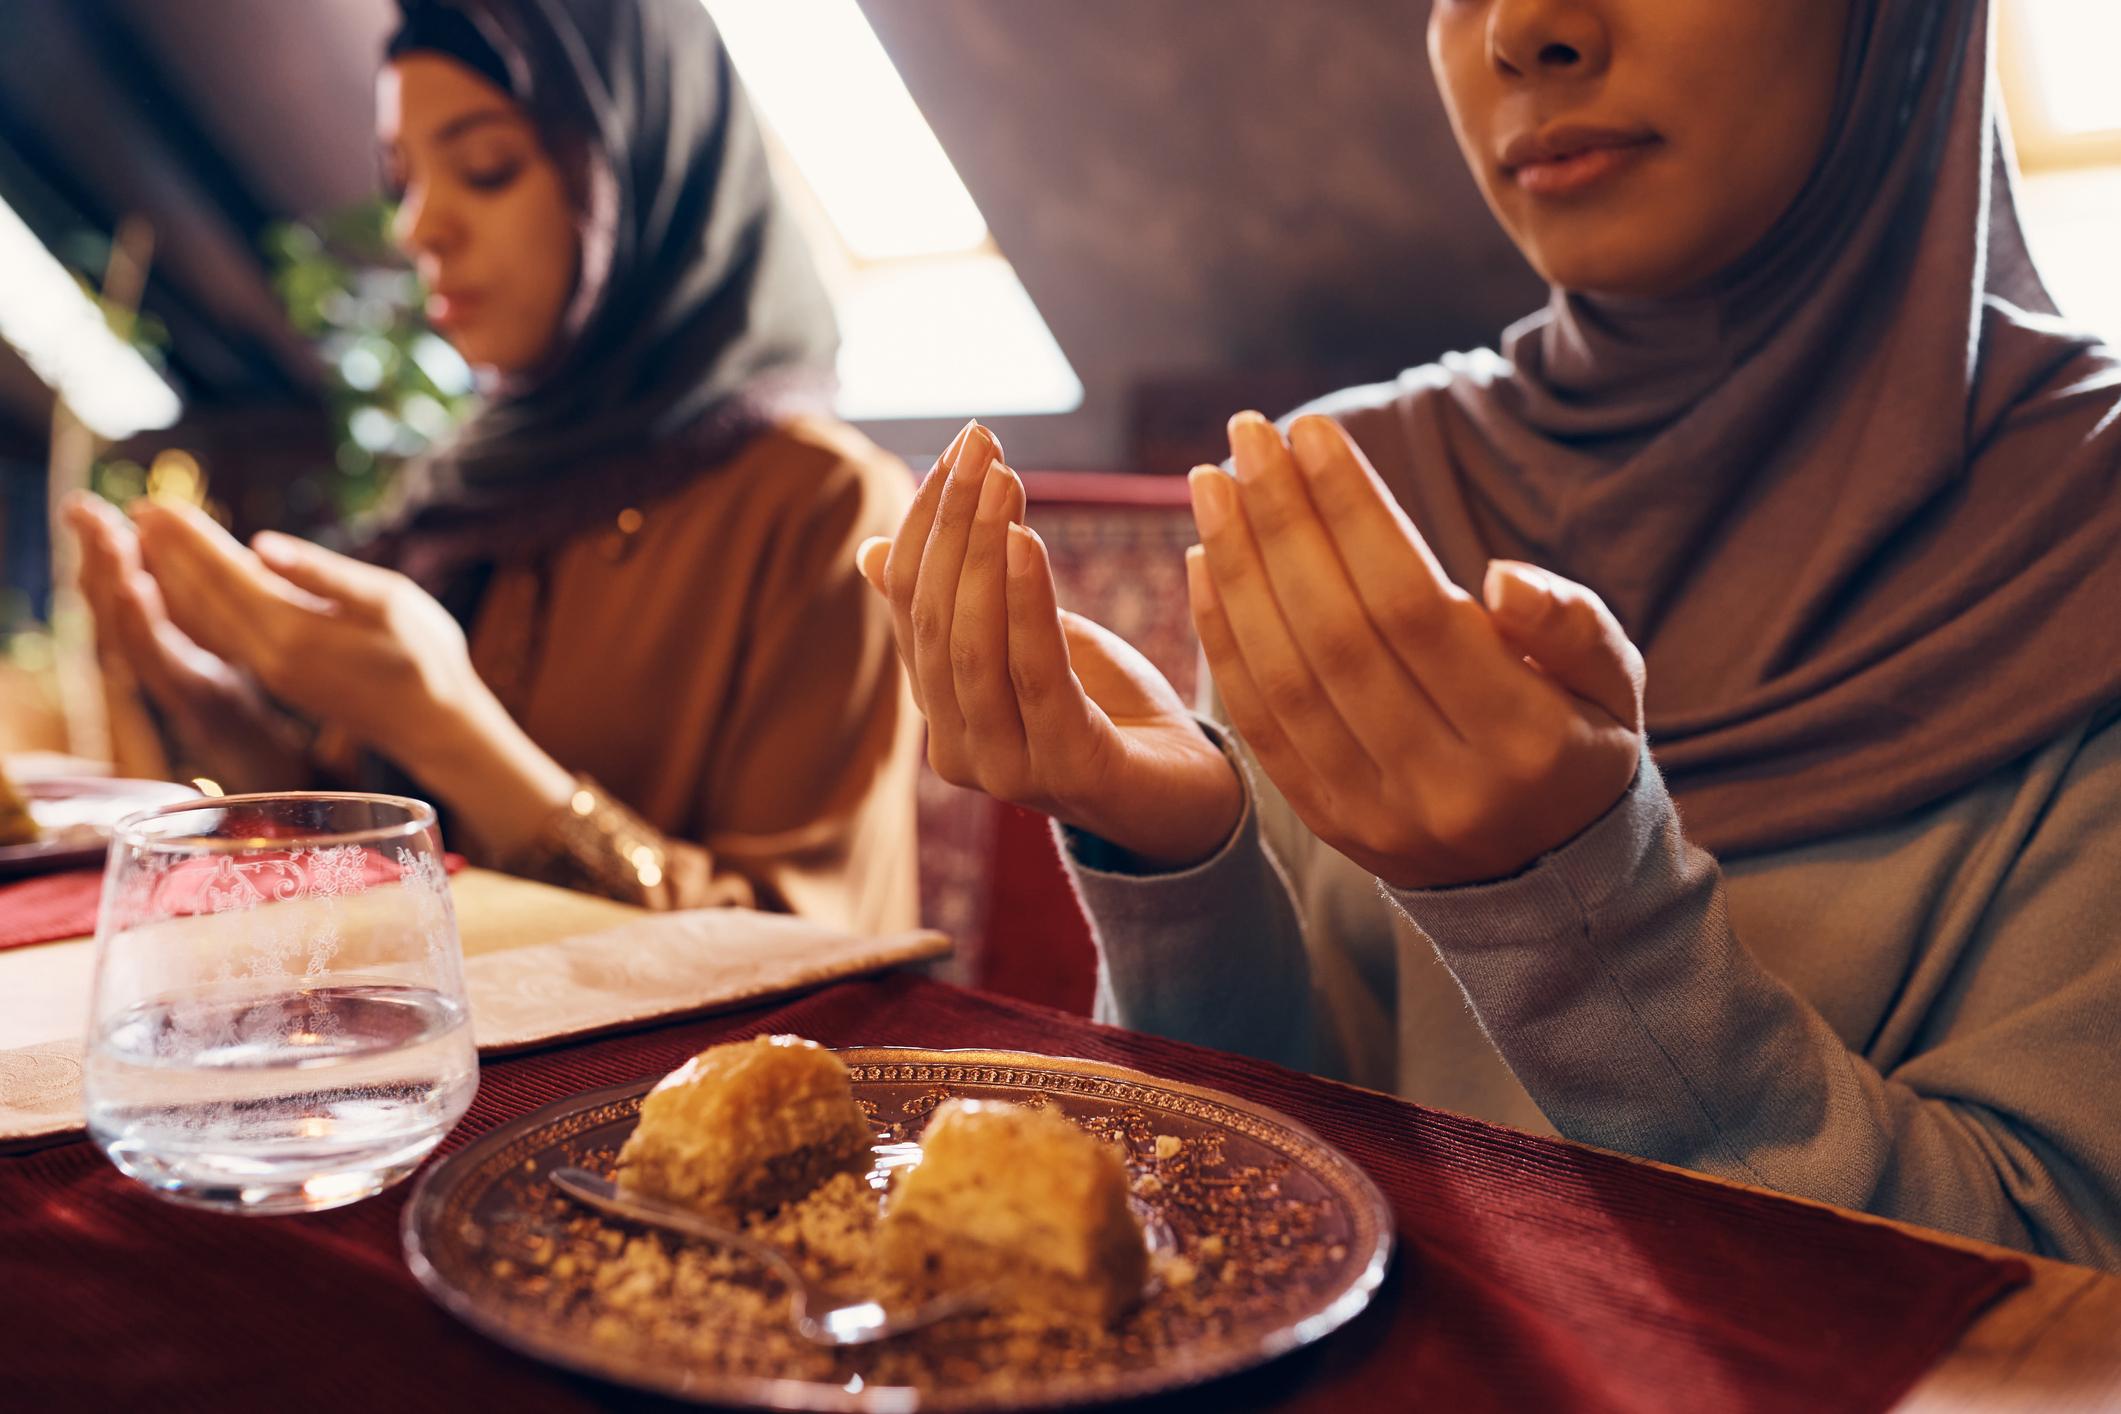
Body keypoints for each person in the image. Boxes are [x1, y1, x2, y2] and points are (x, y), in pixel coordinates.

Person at [860, 0, 2121, 1267]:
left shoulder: (2083, 532)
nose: (1522, 30)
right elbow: (1263, 1207)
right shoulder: (1365, 481)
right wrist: (1184, 861)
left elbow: (2059, 1294)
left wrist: (1585, 911)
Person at [66, 0, 920, 934]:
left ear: (638, 168)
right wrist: (208, 709)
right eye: (403, 182)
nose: (418, 228)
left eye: (485, 169)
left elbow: (805, 947)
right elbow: (392, 857)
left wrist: (447, 725)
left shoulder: (828, 503)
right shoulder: (475, 488)